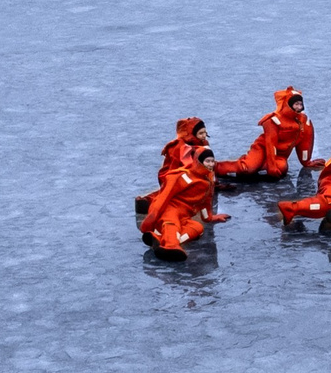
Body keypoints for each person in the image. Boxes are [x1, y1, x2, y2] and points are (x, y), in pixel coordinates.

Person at [136, 119, 229, 257]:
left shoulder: (206, 180)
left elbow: (205, 202)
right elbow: (164, 197)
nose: (210, 164)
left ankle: (159, 239)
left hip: (185, 214)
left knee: (197, 228)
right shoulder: (182, 175)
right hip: (170, 209)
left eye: (212, 161)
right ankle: (170, 246)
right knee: (171, 224)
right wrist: (150, 220)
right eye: (207, 161)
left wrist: (211, 218)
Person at [216, 89, 318, 183]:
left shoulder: (303, 121)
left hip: (279, 155)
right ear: (289, 105)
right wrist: (271, 165)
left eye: (300, 104)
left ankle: (256, 168)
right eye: (296, 104)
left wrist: (306, 161)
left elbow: (304, 142)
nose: (299, 107)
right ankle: (216, 167)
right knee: (248, 168)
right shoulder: (273, 121)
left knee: (281, 168)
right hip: (262, 148)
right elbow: (270, 144)